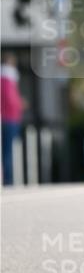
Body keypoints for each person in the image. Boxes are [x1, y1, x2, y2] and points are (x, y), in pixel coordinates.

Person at [1, 53, 25, 186]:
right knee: (7, 151)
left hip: (5, 118)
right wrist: (19, 104)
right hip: (9, 118)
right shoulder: (7, 77)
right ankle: (8, 181)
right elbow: (10, 99)